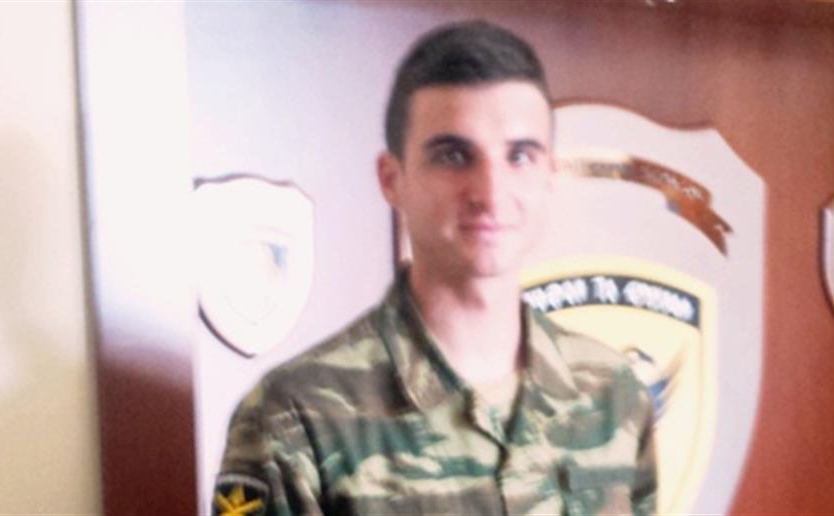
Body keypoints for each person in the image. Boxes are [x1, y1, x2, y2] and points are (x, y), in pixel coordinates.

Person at [212, 20, 656, 516]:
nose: (490, 193)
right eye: (454, 156)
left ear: (550, 172)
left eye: (519, 156)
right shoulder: (295, 418)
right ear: (391, 179)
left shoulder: (614, 393)